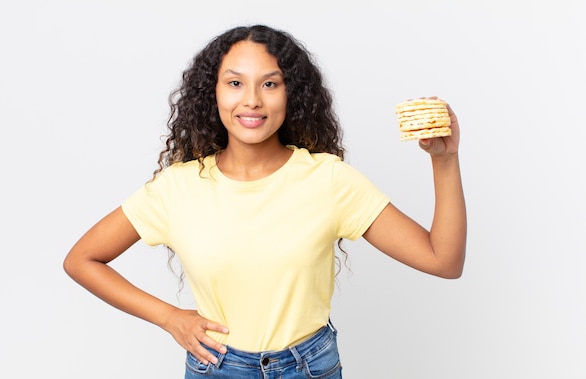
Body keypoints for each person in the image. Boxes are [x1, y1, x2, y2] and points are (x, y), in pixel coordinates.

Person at [63, 24, 466, 378]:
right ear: (213, 92)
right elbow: (82, 259)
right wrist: (170, 318)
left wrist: (445, 160)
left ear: (291, 94)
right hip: (216, 368)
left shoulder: (328, 179)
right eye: (235, 83)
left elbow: (442, 260)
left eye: (269, 83)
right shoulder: (177, 187)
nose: (252, 100)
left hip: (309, 367)